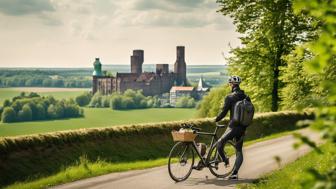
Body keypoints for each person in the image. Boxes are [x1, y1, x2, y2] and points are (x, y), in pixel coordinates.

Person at [215, 75, 250, 180]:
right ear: (239, 84)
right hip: (242, 127)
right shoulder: (246, 97)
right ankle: (234, 173)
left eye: (229, 83)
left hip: (233, 127)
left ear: (231, 84)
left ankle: (225, 160)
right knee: (239, 150)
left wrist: (216, 119)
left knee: (220, 143)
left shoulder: (230, 97)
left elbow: (224, 112)